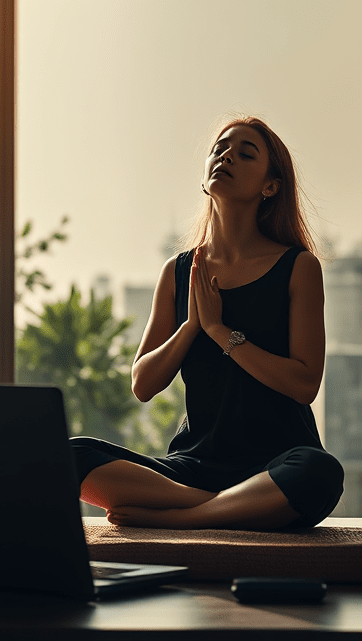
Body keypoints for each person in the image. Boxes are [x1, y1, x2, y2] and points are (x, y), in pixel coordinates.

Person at [71, 117, 343, 530]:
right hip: (193, 468)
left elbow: (305, 383)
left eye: (246, 153)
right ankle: (222, 509)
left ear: (271, 186)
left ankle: (186, 519)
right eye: (220, 148)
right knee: (68, 456)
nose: (227, 155)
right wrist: (192, 327)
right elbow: (143, 384)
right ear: (204, 175)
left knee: (320, 472)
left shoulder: (298, 267)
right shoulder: (178, 272)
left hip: (277, 465)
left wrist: (221, 333)